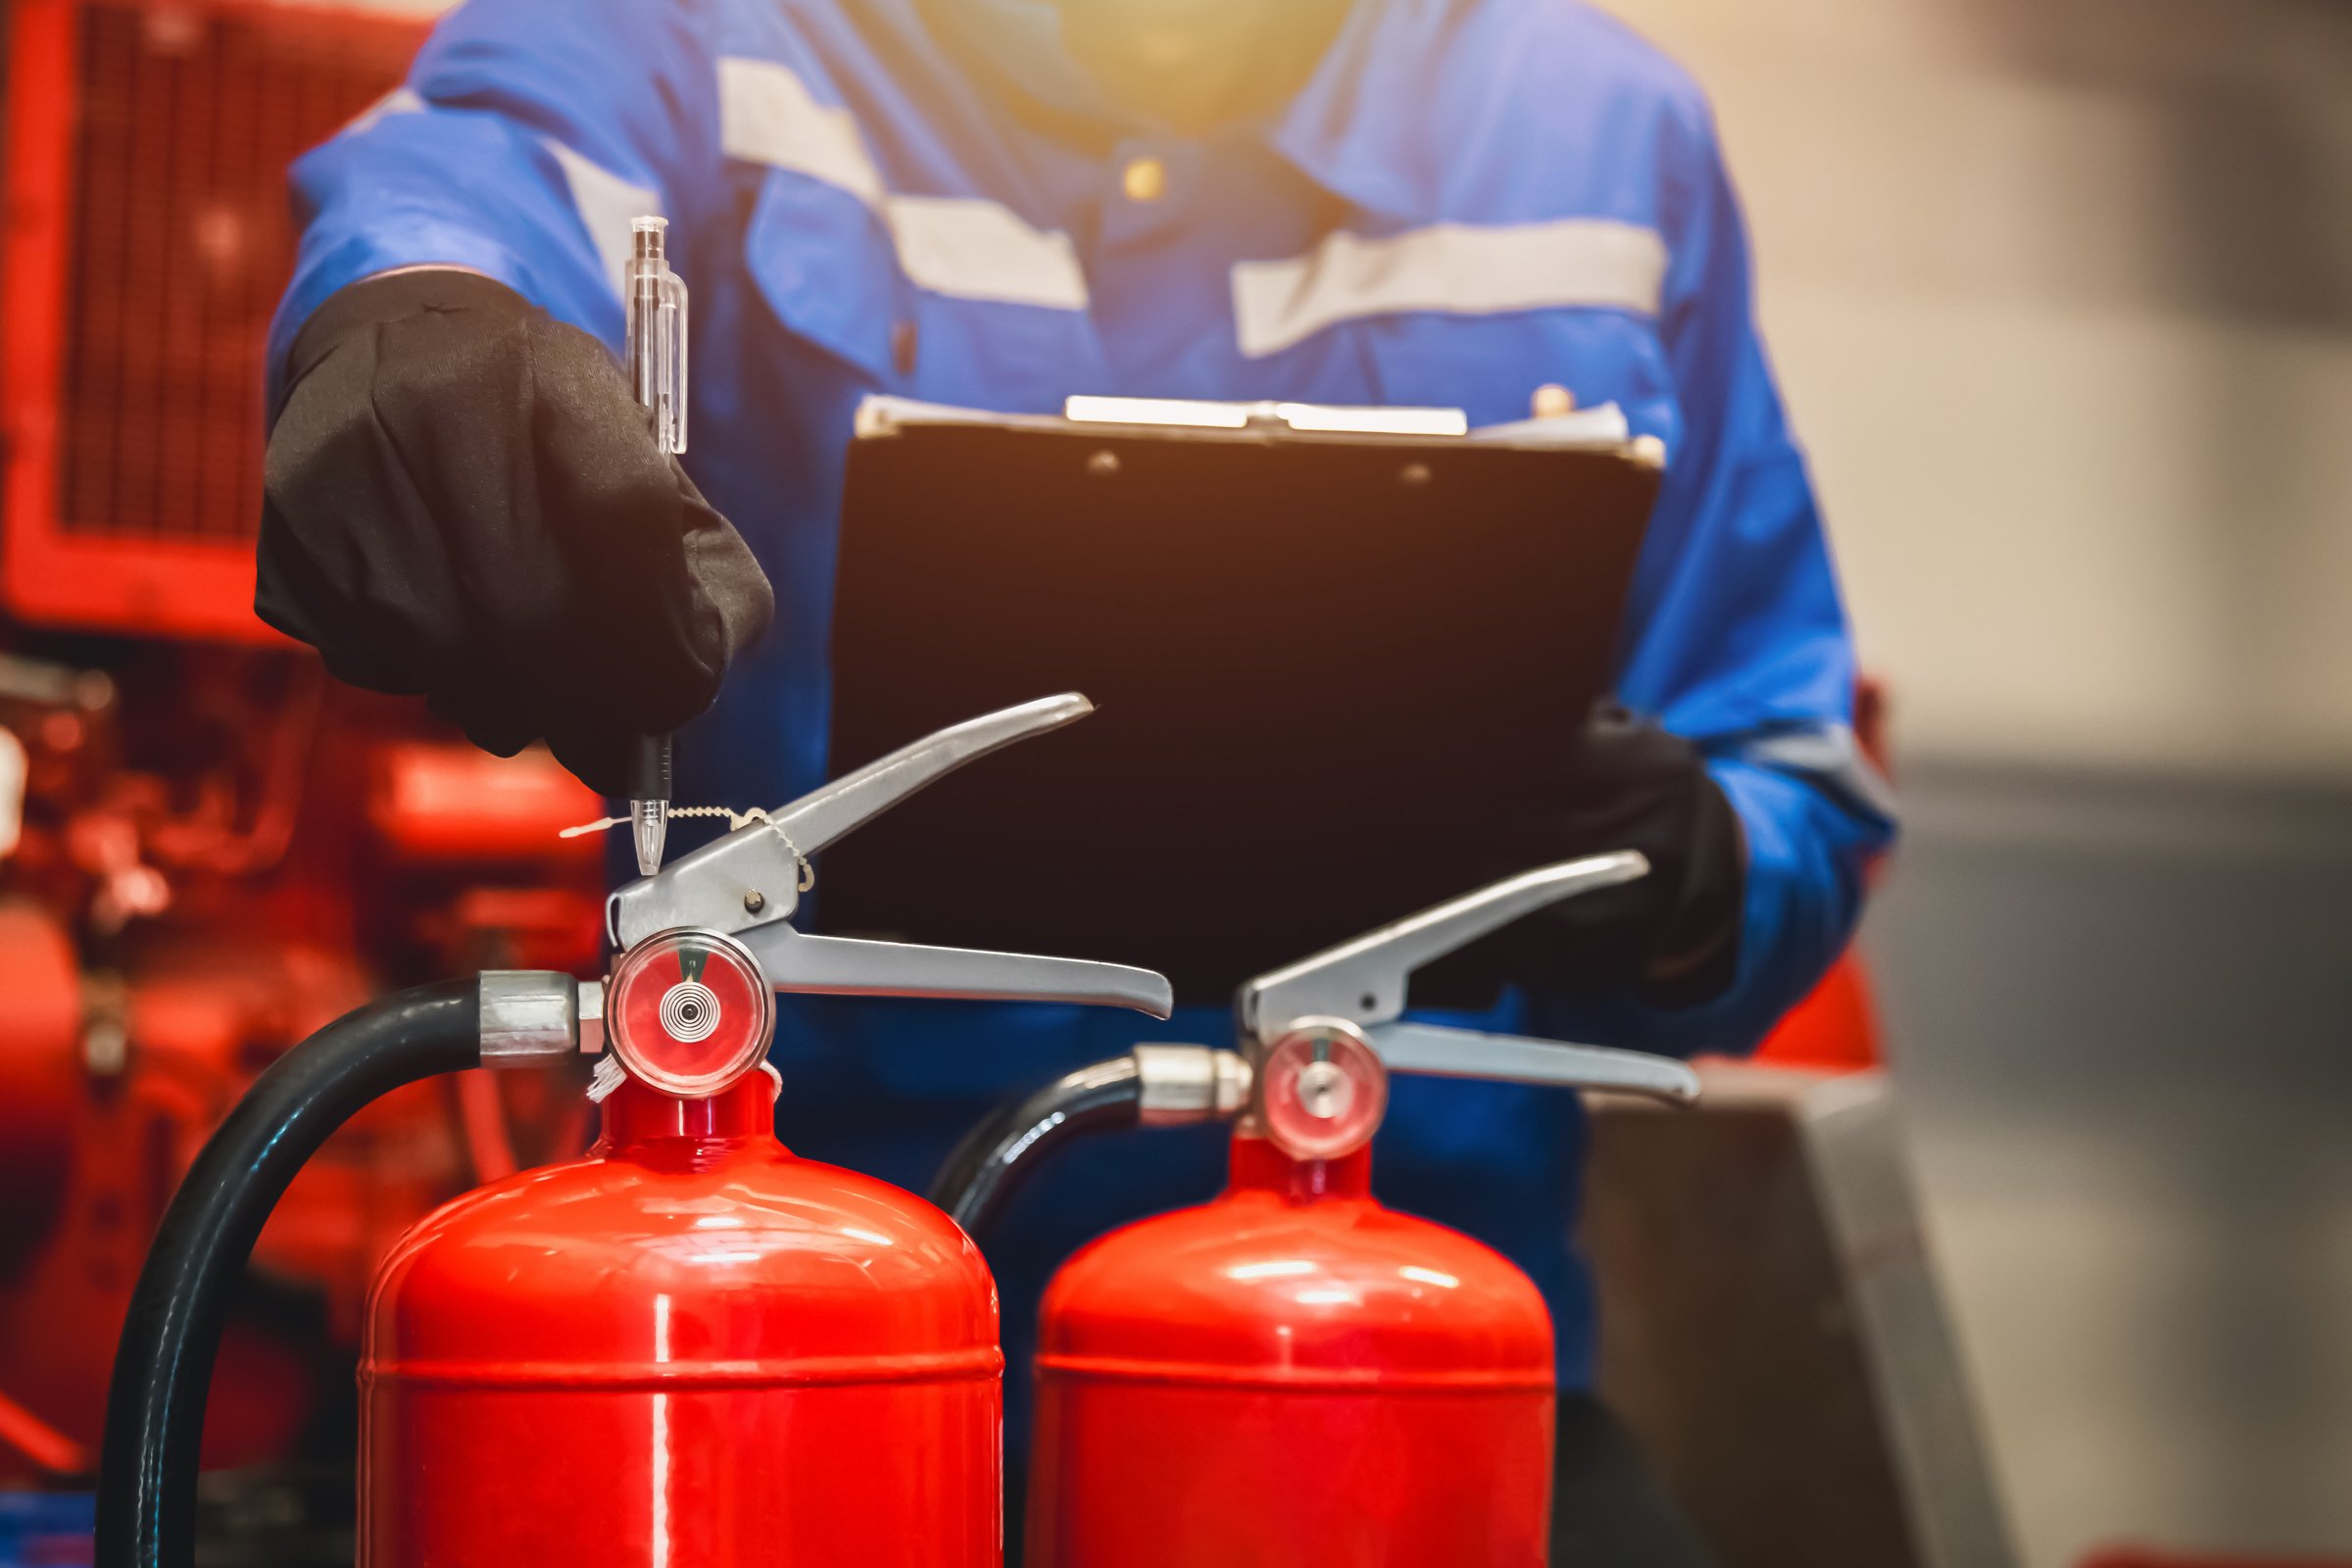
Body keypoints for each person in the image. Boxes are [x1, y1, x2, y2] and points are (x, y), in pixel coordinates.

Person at [259, 0, 1895, 1557]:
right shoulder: (723, 36)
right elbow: (485, 161)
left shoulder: (1600, 138)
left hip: (1395, 1366)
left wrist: (1684, 872)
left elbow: (1794, 782)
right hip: (779, 1340)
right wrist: (423, 315)